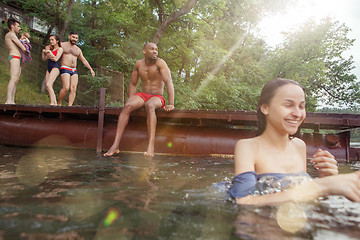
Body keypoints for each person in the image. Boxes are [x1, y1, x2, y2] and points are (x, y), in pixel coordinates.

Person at [229, 78, 360, 204]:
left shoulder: (299, 145)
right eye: (288, 105)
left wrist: (325, 177)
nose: (298, 114)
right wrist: (322, 186)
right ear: (265, 108)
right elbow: (243, 201)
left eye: (302, 106)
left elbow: (298, 194)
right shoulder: (248, 147)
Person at [104, 42, 175, 157]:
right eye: (151, 49)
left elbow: (169, 82)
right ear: (144, 51)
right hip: (143, 95)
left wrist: (171, 103)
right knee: (127, 106)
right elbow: (133, 83)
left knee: (150, 105)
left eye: (156, 49)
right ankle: (115, 145)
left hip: (157, 97)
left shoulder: (160, 63)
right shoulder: (138, 64)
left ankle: (151, 146)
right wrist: (131, 99)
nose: (155, 51)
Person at [57, 31, 95, 106]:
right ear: (69, 37)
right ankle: (59, 103)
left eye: (76, 38)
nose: (75, 39)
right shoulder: (62, 45)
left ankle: (69, 106)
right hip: (65, 67)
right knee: (66, 87)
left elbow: (83, 60)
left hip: (74, 70)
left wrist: (91, 69)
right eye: (73, 37)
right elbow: (52, 48)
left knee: (73, 88)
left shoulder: (78, 49)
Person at [4, 18, 26, 104]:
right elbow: (23, 48)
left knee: (16, 79)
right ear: (12, 26)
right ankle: (8, 100)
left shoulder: (13, 36)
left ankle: (12, 100)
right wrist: (25, 44)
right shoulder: (11, 34)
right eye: (18, 26)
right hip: (14, 57)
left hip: (18, 58)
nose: (19, 28)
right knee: (13, 78)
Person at [42, 34, 63, 105]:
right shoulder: (51, 49)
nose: (51, 41)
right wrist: (44, 52)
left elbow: (56, 58)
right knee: (48, 86)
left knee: (48, 84)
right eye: (50, 40)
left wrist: (50, 52)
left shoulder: (60, 49)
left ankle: (52, 103)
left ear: (57, 41)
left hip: (55, 68)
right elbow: (44, 59)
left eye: (52, 40)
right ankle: (54, 103)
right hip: (49, 68)